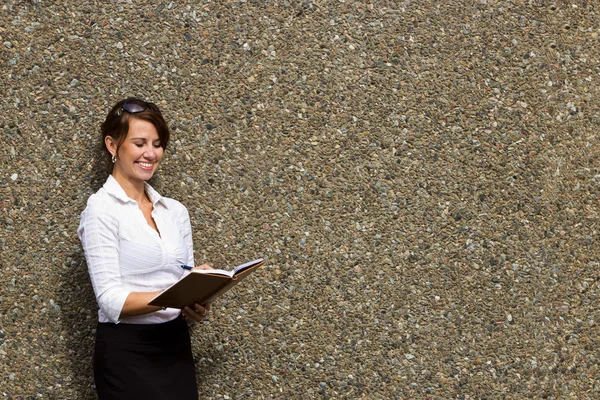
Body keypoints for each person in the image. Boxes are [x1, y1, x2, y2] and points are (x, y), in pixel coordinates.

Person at [78, 97, 210, 400]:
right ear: (113, 145)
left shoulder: (175, 211)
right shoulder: (101, 209)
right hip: (126, 354)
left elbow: (182, 285)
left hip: (175, 348)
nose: (151, 153)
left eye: (157, 143)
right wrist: (174, 296)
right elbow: (111, 301)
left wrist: (195, 304)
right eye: (139, 143)